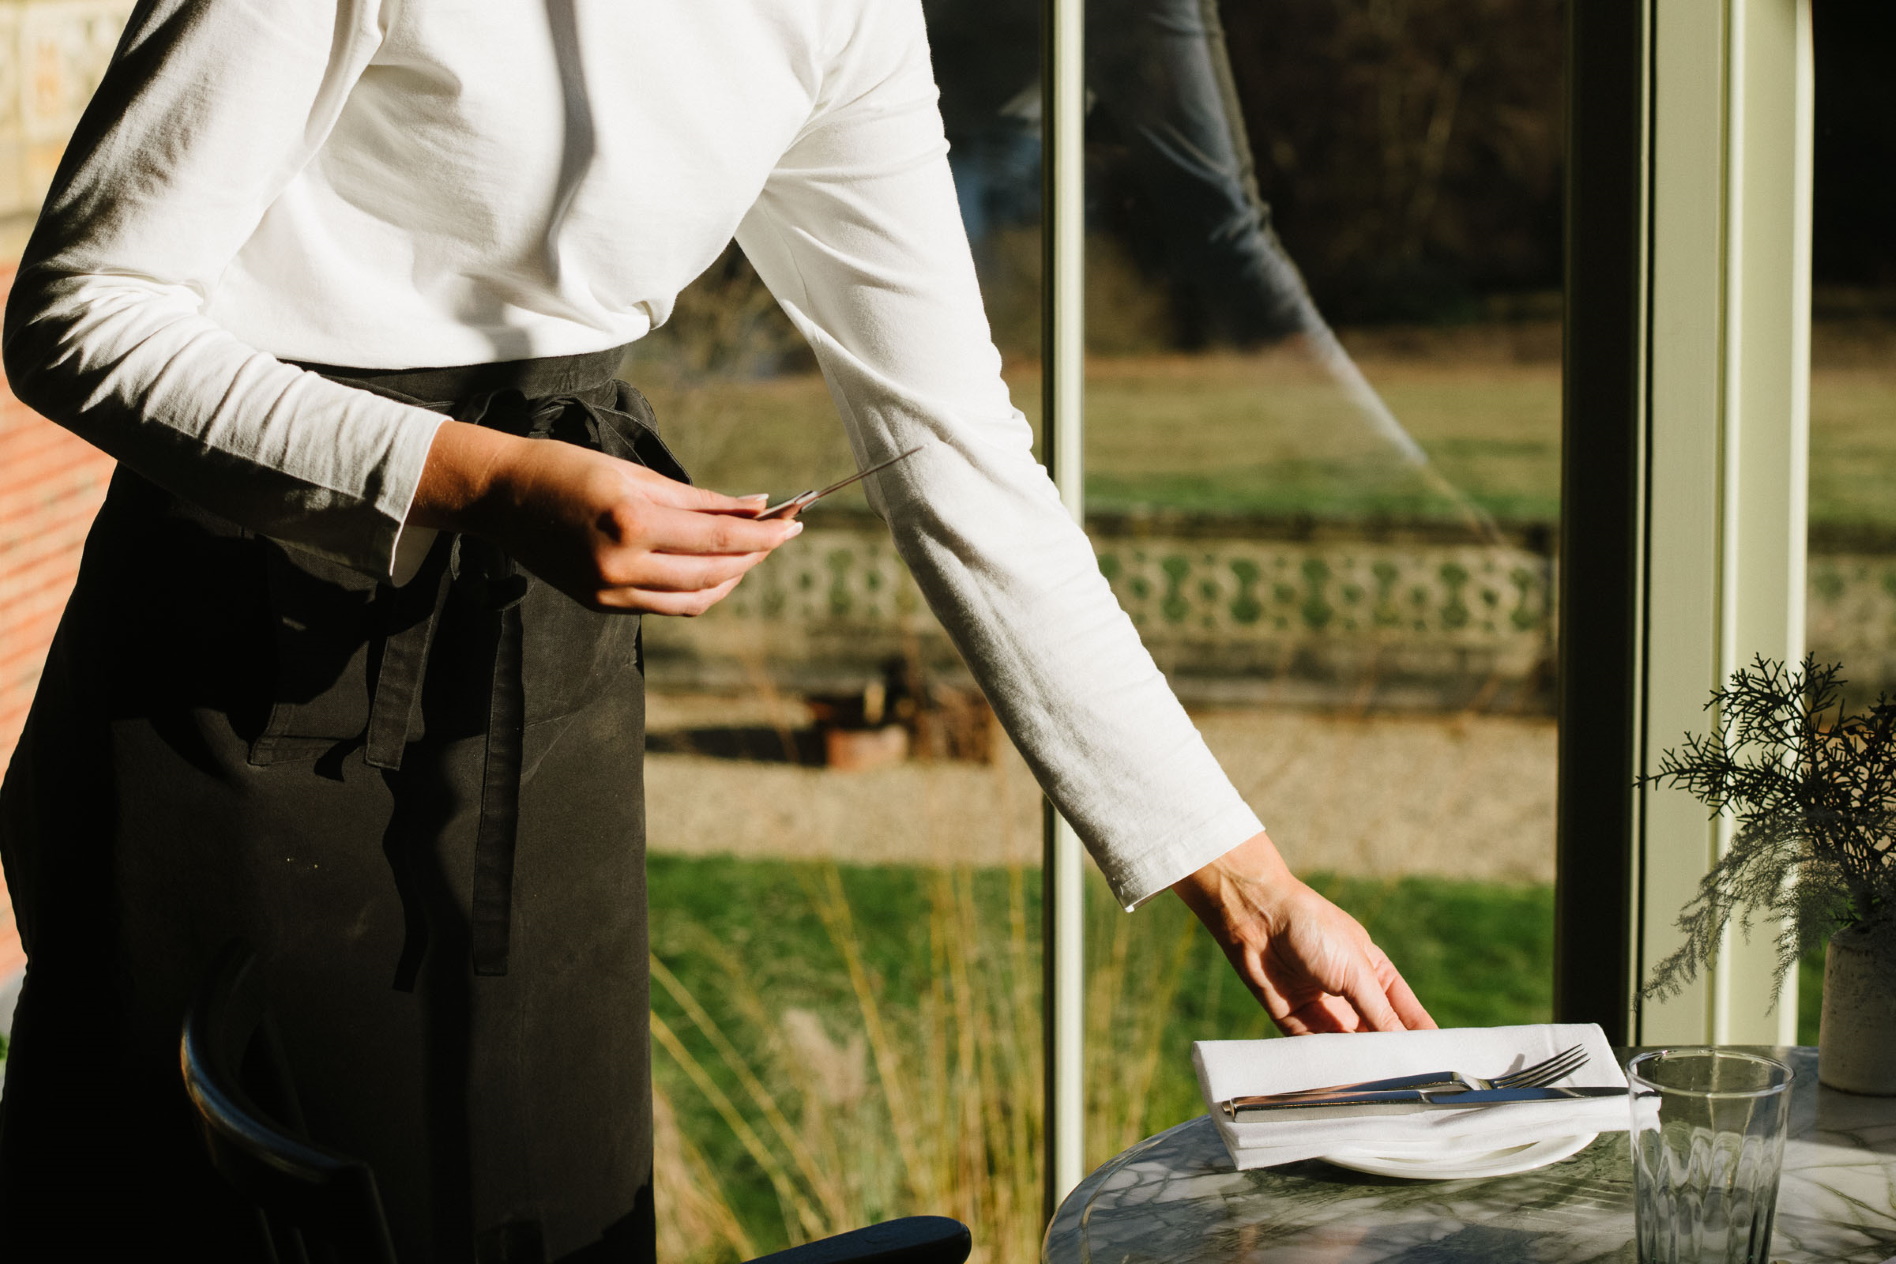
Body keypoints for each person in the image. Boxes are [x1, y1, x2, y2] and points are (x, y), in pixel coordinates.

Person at [0, 0, 1433, 1258]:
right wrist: (483, 481)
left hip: (535, 675)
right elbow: (80, 314)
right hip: (241, 655)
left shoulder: (838, 13)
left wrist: (1248, 887)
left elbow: (953, 449)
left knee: (558, 1217)